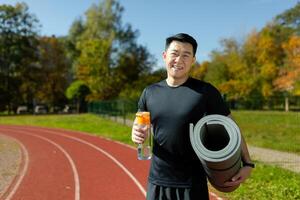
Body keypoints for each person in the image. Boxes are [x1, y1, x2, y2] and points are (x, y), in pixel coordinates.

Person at [131, 33, 253, 200]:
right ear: (165, 56)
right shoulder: (149, 92)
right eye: (174, 53)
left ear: (193, 60)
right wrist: (135, 134)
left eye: (186, 55)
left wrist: (247, 164)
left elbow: (233, 128)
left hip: (193, 183)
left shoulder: (205, 92)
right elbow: (139, 125)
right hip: (157, 181)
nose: (179, 60)